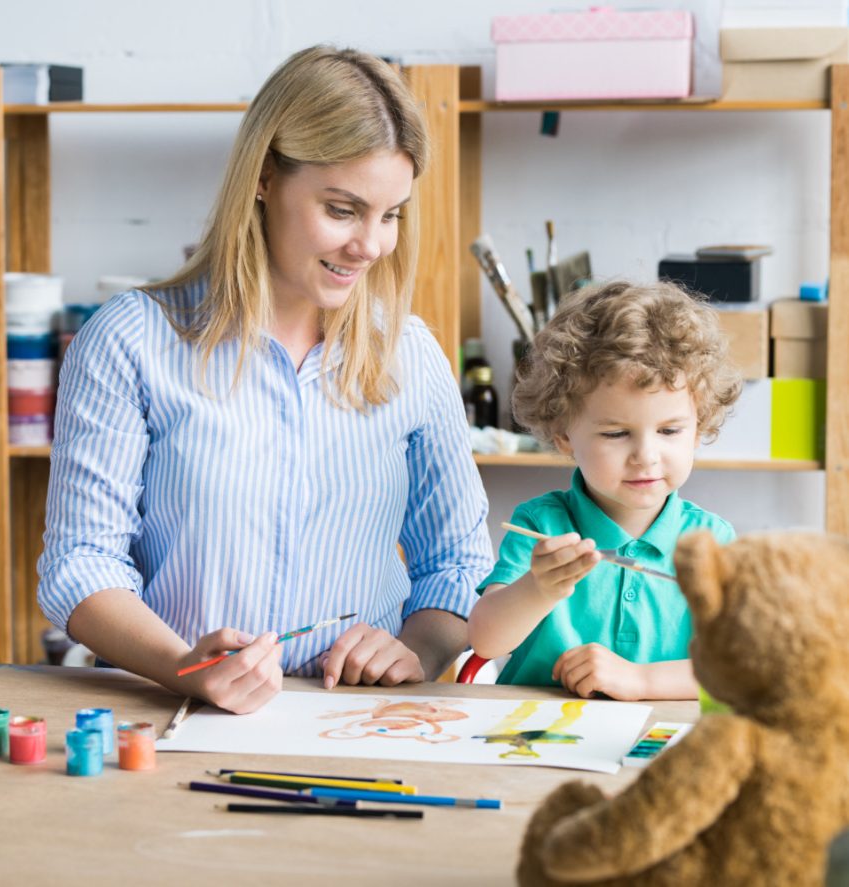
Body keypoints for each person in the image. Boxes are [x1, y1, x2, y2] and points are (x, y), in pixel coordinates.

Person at [37, 46, 492, 714]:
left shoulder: (410, 356)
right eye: (343, 209)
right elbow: (79, 562)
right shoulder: (130, 340)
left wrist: (414, 651)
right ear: (265, 177)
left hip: (356, 722)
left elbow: (457, 564)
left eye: (390, 214)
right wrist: (180, 666)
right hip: (172, 716)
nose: (370, 244)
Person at [468, 280, 742, 700]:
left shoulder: (713, 542)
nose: (646, 456)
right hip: (534, 743)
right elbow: (486, 642)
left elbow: (738, 667)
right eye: (616, 433)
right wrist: (539, 588)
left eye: (670, 430)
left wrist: (641, 681)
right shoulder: (541, 524)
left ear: (700, 426)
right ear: (563, 435)